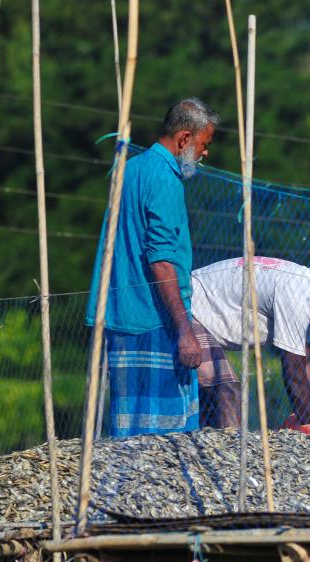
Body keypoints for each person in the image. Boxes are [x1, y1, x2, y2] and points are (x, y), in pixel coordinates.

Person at [86, 98, 217, 437]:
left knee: (129, 432)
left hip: (120, 314)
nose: (205, 154)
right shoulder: (165, 180)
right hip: (155, 320)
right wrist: (184, 331)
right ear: (185, 138)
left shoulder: (129, 169)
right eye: (204, 145)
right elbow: (161, 262)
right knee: (167, 440)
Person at [189, 254, 310, 433]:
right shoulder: (296, 296)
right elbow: (294, 374)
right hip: (189, 312)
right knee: (227, 393)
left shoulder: (301, 285)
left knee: (218, 398)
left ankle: (212, 448)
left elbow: (303, 362)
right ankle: (230, 459)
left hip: (196, 312)